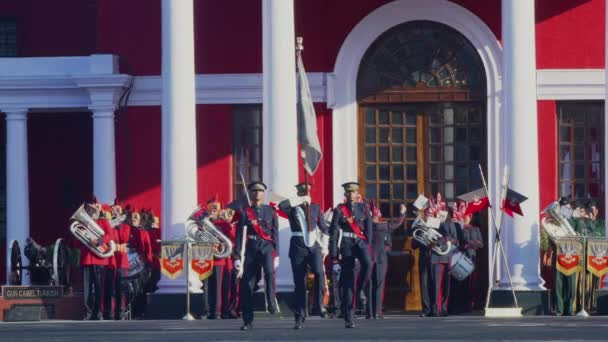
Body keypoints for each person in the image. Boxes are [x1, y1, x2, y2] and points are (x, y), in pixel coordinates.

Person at [279, 182, 329, 329]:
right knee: (299, 282)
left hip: (314, 246)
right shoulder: (292, 208)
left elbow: (324, 228)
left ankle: (319, 305)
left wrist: (325, 246)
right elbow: (281, 205)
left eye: (306, 193)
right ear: (299, 194)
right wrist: (299, 200)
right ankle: (300, 315)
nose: (305, 195)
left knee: (319, 273)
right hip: (298, 247)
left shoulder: (315, 208)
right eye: (302, 193)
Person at [234, 181, 279, 331]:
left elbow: (275, 234)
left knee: (269, 273)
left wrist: (276, 253)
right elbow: (240, 235)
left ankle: (271, 302)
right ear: (251, 194)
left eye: (260, 191)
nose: (257, 193)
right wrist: (237, 257)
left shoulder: (271, 211)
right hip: (252, 248)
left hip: (266, 247)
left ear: (263, 193)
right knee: (248, 283)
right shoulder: (245, 212)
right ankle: (247, 320)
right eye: (254, 191)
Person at [329, 182, 372, 328]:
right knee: (348, 281)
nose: (352, 195)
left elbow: (369, 228)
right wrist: (334, 256)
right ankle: (349, 316)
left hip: (360, 242)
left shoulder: (364, 208)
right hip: (346, 244)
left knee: (368, 263)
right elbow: (333, 233)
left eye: (354, 192)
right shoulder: (339, 210)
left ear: (357, 194)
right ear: (346, 195)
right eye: (349, 192)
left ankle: (359, 289)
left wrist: (368, 244)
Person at [413, 194, 458, 317]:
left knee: (438, 285)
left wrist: (438, 241)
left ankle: (438, 309)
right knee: (424, 284)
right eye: (428, 211)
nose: (429, 213)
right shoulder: (422, 225)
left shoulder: (447, 223)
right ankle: (426, 309)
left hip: (439, 257)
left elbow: (454, 239)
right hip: (425, 257)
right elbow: (413, 245)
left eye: (432, 209)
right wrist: (423, 237)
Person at [365, 200, 405, 319]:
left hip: (368, 257)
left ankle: (369, 311)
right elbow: (398, 223)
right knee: (379, 284)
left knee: (369, 284)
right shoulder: (383, 226)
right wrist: (402, 213)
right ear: (379, 216)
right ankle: (377, 311)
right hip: (381, 258)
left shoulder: (366, 226)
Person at [78, 198, 113, 320]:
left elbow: (110, 236)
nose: (92, 210)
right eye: (90, 208)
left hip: (99, 259)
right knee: (87, 288)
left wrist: (98, 241)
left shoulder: (103, 222)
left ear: (98, 209)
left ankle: (97, 312)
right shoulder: (83, 222)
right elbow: (77, 239)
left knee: (99, 287)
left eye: (94, 208)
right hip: (87, 258)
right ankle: (87, 313)